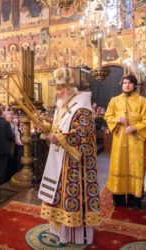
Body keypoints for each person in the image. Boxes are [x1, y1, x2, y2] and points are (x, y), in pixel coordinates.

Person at [39, 67, 100, 245]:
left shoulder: (81, 107)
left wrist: (58, 138)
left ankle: (76, 235)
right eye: (56, 89)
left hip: (75, 165)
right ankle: (58, 231)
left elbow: (83, 133)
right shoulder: (63, 106)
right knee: (57, 196)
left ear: (69, 89)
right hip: (60, 160)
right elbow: (59, 127)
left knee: (70, 196)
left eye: (60, 89)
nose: (57, 93)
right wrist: (47, 125)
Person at [104, 75, 146, 208]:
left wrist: (136, 127)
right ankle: (117, 198)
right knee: (118, 165)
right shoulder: (114, 101)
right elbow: (108, 116)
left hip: (135, 142)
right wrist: (117, 120)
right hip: (119, 141)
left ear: (134, 85)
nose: (127, 85)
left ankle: (135, 199)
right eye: (124, 83)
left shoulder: (143, 101)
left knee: (135, 167)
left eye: (130, 83)